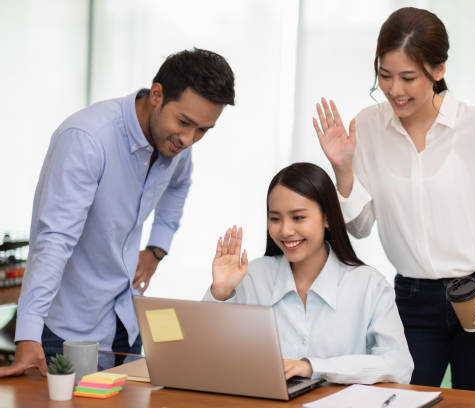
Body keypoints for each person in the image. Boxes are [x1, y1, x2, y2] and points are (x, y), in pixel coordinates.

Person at [312, 7, 475, 393]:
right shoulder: (368, 126)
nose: (395, 90)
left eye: (408, 77)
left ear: (439, 70)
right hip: (412, 301)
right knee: (398, 400)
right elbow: (362, 227)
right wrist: (344, 171)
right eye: (385, 76)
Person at [0, 48, 235, 377]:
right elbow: (54, 240)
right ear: (157, 95)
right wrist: (27, 334)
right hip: (65, 330)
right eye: (184, 123)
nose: (189, 139)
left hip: (126, 319)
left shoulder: (177, 143)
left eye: (203, 131)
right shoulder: (87, 139)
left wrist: (156, 249)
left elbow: (179, 186)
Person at [203, 162, 413, 384]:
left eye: (298, 217)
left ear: (328, 218)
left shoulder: (369, 285)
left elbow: (399, 366)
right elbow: (205, 355)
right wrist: (220, 293)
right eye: (275, 218)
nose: (285, 230)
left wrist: (312, 367)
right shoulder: (252, 276)